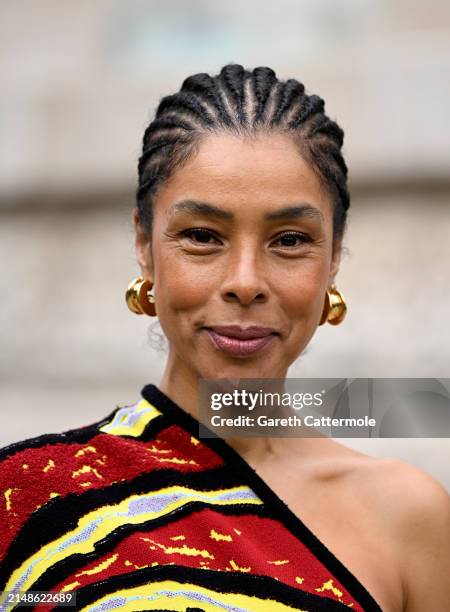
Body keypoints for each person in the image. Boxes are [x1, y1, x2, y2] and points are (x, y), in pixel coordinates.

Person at [0, 64, 449, 612]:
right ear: (144, 243)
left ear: (333, 256)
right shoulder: (25, 495)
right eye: (201, 236)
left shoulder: (408, 517)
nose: (245, 283)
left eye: (289, 240)